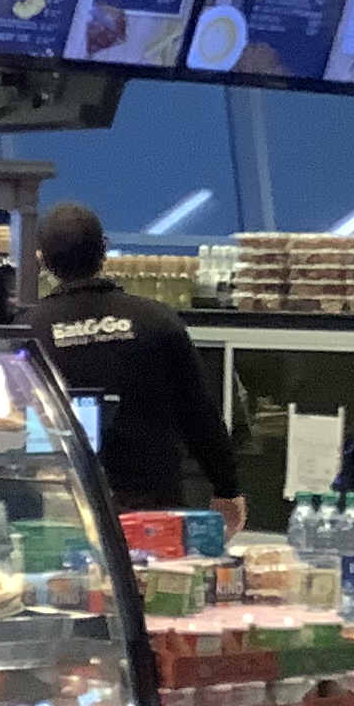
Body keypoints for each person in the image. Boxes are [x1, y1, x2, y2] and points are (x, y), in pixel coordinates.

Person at [28, 203, 245, 527]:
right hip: (153, 510)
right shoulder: (158, 321)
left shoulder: (29, 331)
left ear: (42, 259)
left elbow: (9, 420)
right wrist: (227, 488)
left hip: (63, 505)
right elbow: (198, 414)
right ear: (104, 249)